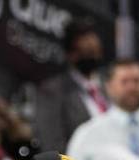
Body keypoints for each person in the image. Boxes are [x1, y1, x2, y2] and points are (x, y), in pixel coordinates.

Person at [34, 18, 109, 153]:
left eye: (96, 50)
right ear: (72, 55)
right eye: (88, 52)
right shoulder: (53, 91)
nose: (93, 47)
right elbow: (52, 146)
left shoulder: (111, 84)